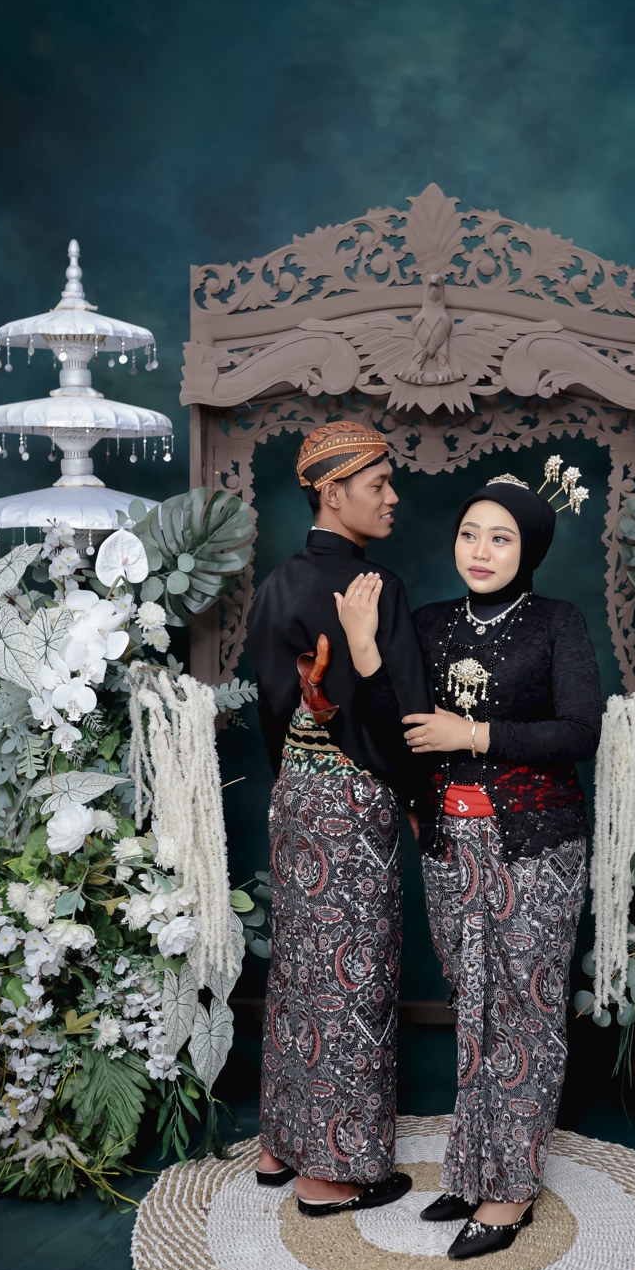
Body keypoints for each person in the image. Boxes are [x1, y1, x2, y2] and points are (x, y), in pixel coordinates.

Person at [339, 465, 600, 1258]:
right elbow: (395, 729)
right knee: (475, 1004)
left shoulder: (557, 623)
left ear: (531, 548)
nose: (480, 550)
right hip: (451, 844)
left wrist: (474, 735)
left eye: (501, 537)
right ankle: (473, 1167)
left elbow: (580, 731)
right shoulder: (429, 622)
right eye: (469, 534)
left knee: (526, 1010)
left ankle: (510, 1192)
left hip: (537, 846)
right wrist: (364, 650)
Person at [246, 421, 429, 1217]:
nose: (393, 497)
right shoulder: (373, 588)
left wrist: (301, 772)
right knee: (354, 977)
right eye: (378, 484)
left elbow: (272, 709)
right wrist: (418, 799)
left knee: (299, 968)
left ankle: (279, 1144)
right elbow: (404, 715)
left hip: (295, 794)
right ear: (332, 491)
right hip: (357, 800)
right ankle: (330, 1174)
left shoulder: (276, 585)